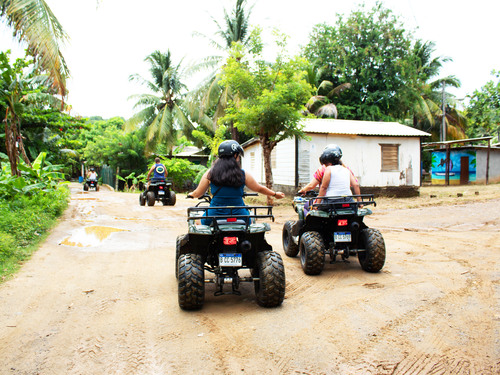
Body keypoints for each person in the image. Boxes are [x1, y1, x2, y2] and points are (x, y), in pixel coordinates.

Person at [188, 140, 285, 225]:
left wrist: (191, 194)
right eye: (238, 155)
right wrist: (275, 194)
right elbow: (259, 188)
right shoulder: (243, 174)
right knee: (250, 225)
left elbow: (198, 193)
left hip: (215, 214)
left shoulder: (210, 173)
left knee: (197, 222)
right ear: (235, 155)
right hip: (240, 215)